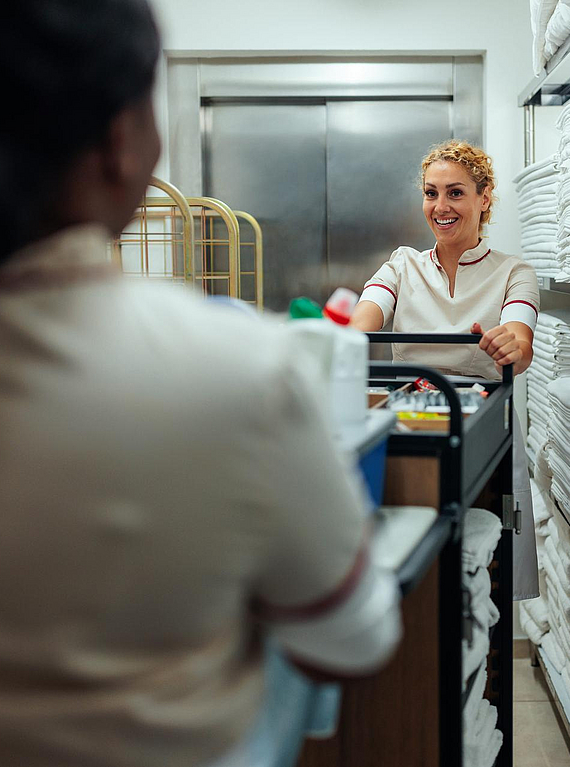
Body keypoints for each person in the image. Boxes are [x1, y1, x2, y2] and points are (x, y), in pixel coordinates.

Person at [0, 3, 400, 766]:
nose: (441, 206)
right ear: (121, 139)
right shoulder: (237, 363)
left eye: (456, 193)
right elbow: (352, 640)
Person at [350, 140, 540, 599]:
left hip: (482, 429)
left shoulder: (514, 272)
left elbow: (521, 339)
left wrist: (507, 343)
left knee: (483, 567)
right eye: (431, 193)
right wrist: (341, 336)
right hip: (410, 426)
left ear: (484, 197)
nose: (441, 206)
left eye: (455, 193)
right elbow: (365, 317)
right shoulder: (402, 265)